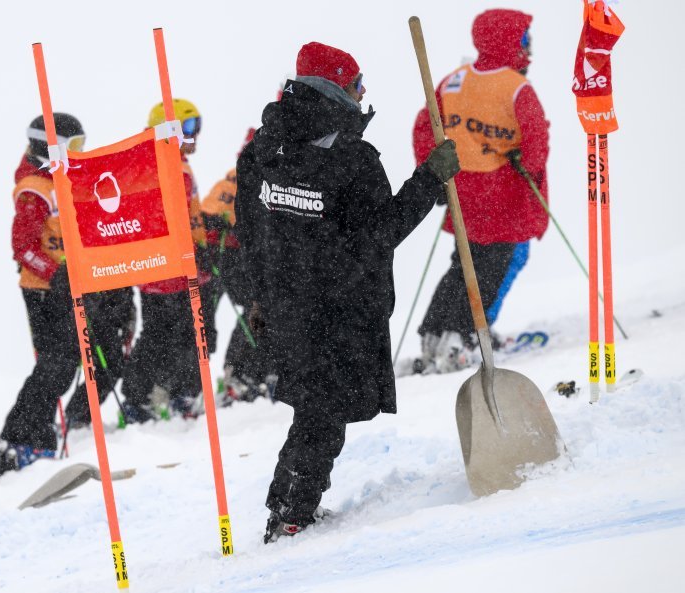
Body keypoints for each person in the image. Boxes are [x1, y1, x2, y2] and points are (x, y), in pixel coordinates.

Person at [234, 42, 458, 542]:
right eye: (359, 83)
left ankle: (288, 511)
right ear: (338, 87)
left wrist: (263, 292)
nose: (364, 93)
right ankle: (290, 516)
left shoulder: (263, 149)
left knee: (316, 408)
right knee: (322, 414)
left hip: (289, 307)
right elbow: (380, 232)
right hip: (337, 310)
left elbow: (247, 228)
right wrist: (429, 181)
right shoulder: (353, 158)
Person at [412, 9, 549, 373]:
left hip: (463, 193)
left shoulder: (455, 80)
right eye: (525, 40)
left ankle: (435, 335)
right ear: (511, 41)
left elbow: (426, 126)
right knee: (492, 267)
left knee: (463, 264)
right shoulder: (515, 86)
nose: (529, 49)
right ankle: (464, 336)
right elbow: (536, 137)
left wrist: (433, 171)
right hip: (503, 193)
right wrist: (530, 166)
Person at [0, 114, 133, 475]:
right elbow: (22, 247)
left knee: (95, 357)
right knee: (57, 364)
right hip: (45, 291)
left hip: (78, 283)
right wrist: (56, 274)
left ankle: (66, 422)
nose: (80, 152)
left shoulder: (66, 180)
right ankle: (22, 436)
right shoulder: (34, 188)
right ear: (48, 145)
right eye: (73, 145)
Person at [119, 99, 214, 422]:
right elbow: (157, 218)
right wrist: (188, 247)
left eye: (197, 125)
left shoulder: (176, 162)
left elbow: (188, 215)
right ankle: (139, 399)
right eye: (188, 126)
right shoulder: (155, 164)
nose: (196, 133)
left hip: (186, 267)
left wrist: (204, 243)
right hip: (164, 268)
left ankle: (180, 393)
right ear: (167, 129)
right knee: (163, 335)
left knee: (190, 334)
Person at [200, 128, 272, 404]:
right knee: (253, 308)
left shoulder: (273, 177)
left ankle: (259, 368)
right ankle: (237, 371)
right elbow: (209, 213)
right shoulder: (235, 178)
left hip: (257, 255)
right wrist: (217, 225)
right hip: (231, 255)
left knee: (265, 308)